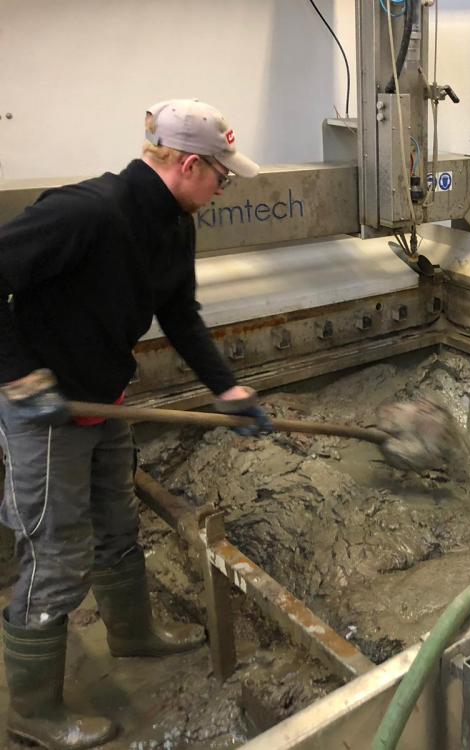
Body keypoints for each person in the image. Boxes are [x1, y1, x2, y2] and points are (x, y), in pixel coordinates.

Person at [0, 99, 273, 750]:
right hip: (47, 410)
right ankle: (32, 710)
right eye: (222, 175)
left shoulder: (176, 223)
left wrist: (225, 388)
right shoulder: (85, 213)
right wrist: (19, 374)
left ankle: (132, 634)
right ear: (187, 163)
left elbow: (180, 312)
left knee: (118, 524)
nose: (223, 186)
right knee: (56, 552)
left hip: (106, 398)